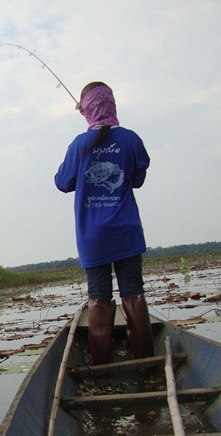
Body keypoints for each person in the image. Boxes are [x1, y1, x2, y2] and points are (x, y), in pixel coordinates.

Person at [54, 82, 153, 364]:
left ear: (86, 110)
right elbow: (138, 178)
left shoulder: (79, 145)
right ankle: (146, 363)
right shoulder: (130, 139)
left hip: (92, 234)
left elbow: (63, 182)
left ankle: (101, 366)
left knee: (98, 295)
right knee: (133, 291)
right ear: (112, 105)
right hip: (126, 231)